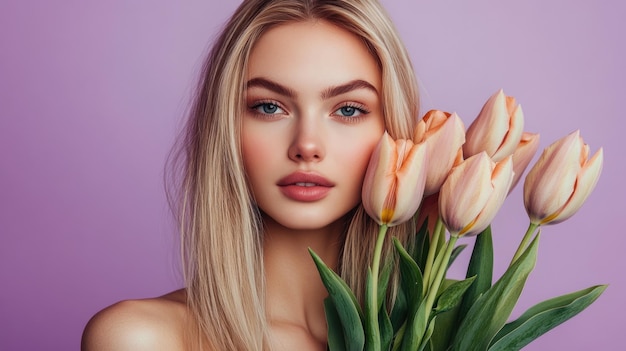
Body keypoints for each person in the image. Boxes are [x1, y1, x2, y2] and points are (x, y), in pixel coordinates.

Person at [81, 0, 420, 349]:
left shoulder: (434, 333)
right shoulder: (144, 338)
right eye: (269, 107)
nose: (307, 145)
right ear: (225, 127)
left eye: (348, 109)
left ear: (393, 130)